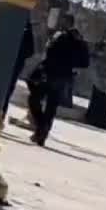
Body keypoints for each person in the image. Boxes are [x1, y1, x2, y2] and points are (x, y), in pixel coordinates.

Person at [26, 14, 91, 146]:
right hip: (62, 76)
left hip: (53, 75)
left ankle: (41, 129)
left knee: (35, 100)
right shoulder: (76, 39)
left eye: (63, 21)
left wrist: (65, 63)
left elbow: (50, 53)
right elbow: (84, 62)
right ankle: (41, 132)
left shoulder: (64, 37)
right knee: (50, 106)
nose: (61, 23)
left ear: (68, 22)